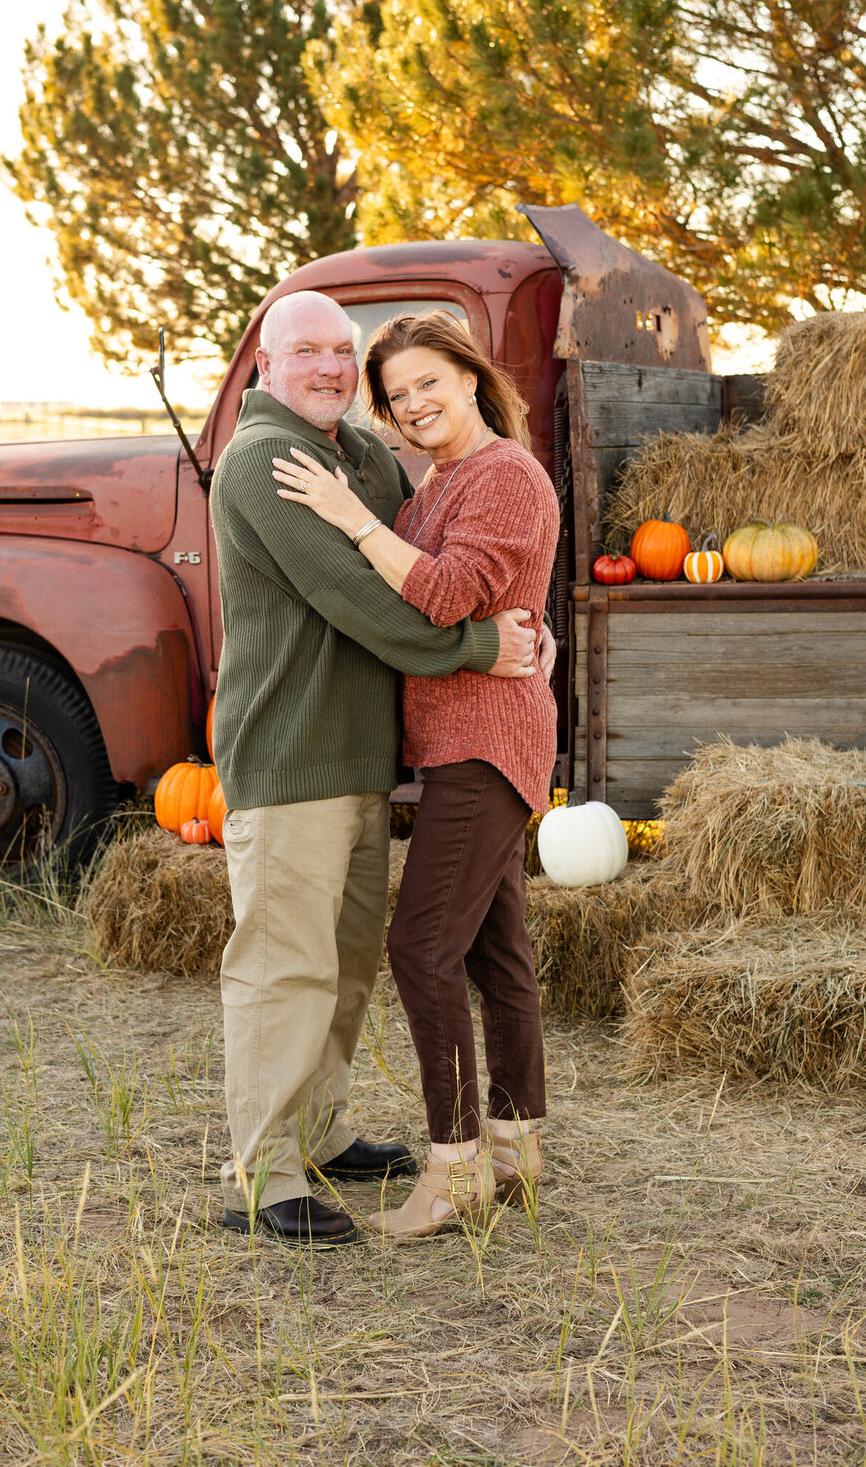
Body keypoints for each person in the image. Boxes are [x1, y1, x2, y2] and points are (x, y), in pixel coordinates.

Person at [210, 290, 544, 1250]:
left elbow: (440, 562)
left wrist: (527, 627)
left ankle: (321, 1129)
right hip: (291, 756)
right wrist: (483, 648)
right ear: (265, 364)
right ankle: (264, 1174)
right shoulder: (260, 463)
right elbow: (361, 596)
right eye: (303, 350)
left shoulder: (358, 454)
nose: (326, 367)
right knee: (285, 969)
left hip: (365, 759)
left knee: (348, 962)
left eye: (339, 352)